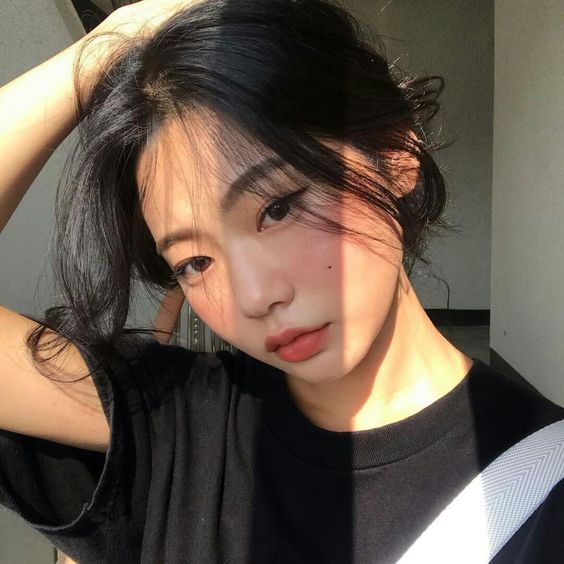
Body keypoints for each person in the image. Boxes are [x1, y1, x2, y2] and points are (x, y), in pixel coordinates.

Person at [0, 0, 563, 562]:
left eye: (278, 207)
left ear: (395, 154)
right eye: (195, 262)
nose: (255, 296)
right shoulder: (173, 422)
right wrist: (110, 45)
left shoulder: (540, 487)